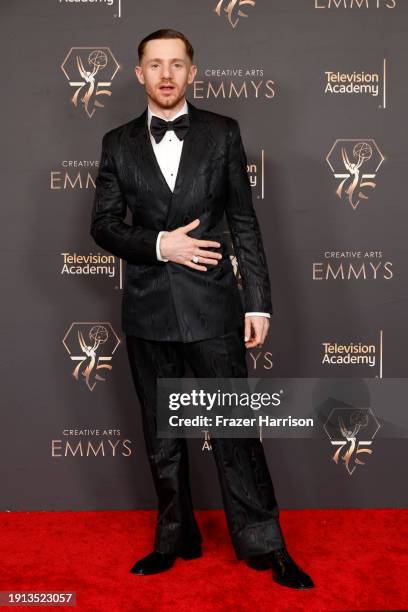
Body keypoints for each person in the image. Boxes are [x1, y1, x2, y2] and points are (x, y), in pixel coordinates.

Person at [90, 28, 314, 590]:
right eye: (155, 64)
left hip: (215, 307)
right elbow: (103, 226)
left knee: (235, 430)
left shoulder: (222, 133)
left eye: (177, 64)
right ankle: (175, 537)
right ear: (138, 74)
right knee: (161, 437)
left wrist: (258, 304)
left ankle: (266, 544)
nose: (166, 74)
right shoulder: (117, 143)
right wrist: (163, 244)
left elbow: (243, 221)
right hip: (147, 311)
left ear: (192, 72)